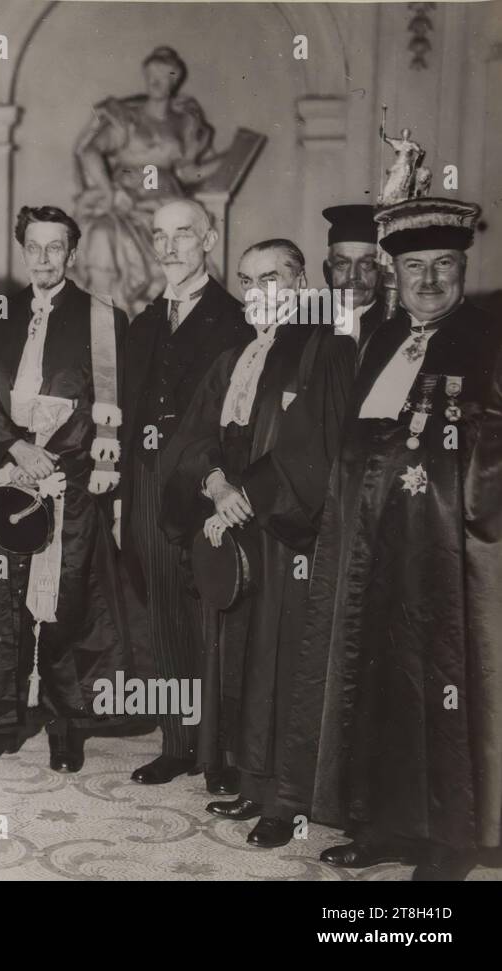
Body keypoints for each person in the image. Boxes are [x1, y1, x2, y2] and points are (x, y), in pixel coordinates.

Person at [275, 198, 501, 880]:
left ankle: (449, 842)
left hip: (454, 551)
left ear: (463, 267)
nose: (428, 281)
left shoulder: (490, 336)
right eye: (413, 267)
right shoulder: (379, 340)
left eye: (443, 266)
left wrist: (468, 502)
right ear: (393, 274)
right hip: (371, 547)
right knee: (373, 681)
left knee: (447, 691)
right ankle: (381, 825)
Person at [160, 239, 354, 848]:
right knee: (242, 653)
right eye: (247, 280)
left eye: (271, 278)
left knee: (287, 661)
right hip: (239, 529)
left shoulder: (327, 349)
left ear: (299, 284)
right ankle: (250, 779)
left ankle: (288, 800)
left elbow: (315, 447)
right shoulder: (236, 355)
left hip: (288, 536)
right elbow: (193, 439)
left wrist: (248, 499)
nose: (257, 292)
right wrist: (215, 485)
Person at [0, 205, 130, 772]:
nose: (45, 257)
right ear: (22, 249)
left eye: (56, 247)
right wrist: (13, 448)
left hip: (67, 480)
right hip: (4, 475)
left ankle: (64, 722)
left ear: (72, 252)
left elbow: (111, 406)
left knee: (63, 603)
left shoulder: (102, 318)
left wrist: (55, 458)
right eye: (35, 246)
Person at [120, 199, 252, 789]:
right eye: (160, 236)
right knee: (165, 612)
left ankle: (220, 754)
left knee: (213, 613)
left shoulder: (238, 318)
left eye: (183, 235)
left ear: (210, 239)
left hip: (210, 483)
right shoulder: (145, 320)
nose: (170, 247)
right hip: (149, 480)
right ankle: (177, 742)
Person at [74, 46, 221, 313]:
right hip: (125, 199)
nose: (155, 80)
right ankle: (104, 322)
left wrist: (228, 161)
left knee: (175, 246)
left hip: (165, 202)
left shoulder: (184, 123)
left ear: (174, 80)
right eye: (150, 73)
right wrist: (109, 192)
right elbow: (90, 151)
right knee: (101, 233)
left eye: (164, 75)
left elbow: (188, 173)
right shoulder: (126, 118)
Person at [320, 204, 381, 356]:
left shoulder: (396, 326)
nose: (353, 276)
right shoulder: (306, 321)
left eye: (366, 264)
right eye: (342, 264)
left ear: (381, 271)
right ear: (327, 270)